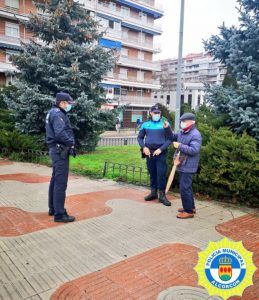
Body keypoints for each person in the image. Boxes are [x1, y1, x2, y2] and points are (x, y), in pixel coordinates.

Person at [164, 113, 202, 219]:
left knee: (184, 188)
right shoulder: (182, 132)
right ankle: (191, 207)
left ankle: (188, 211)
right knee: (187, 188)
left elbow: (194, 150)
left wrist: (180, 146)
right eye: (181, 121)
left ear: (192, 122)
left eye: (184, 121)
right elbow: (172, 137)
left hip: (189, 165)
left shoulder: (195, 134)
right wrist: (167, 128)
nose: (182, 123)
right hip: (182, 164)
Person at [45, 92, 76, 222]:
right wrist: (71, 143)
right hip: (60, 151)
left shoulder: (52, 112)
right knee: (60, 182)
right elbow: (60, 133)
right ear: (62, 103)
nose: (70, 106)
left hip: (56, 150)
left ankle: (53, 208)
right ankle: (59, 214)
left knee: (55, 180)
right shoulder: (58, 114)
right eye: (69, 103)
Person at [137, 105, 172, 206]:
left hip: (160, 153)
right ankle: (153, 193)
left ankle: (162, 195)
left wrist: (161, 149)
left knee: (161, 174)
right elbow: (140, 138)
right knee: (152, 173)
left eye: (158, 113)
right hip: (149, 153)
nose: (157, 114)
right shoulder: (145, 125)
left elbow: (170, 139)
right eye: (155, 113)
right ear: (151, 113)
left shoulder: (164, 124)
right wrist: (144, 147)